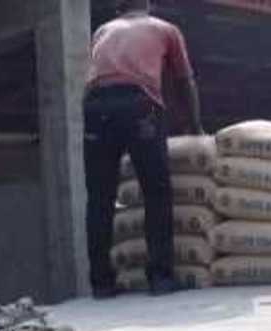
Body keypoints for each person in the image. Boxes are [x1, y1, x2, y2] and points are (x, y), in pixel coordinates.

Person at [84, 0, 204, 298]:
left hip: (95, 107)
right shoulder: (165, 29)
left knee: (100, 197)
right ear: (146, 4)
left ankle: (101, 283)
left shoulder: (103, 30)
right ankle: (161, 278)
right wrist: (195, 126)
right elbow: (184, 82)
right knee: (156, 190)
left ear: (118, 9)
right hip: (138, 104)